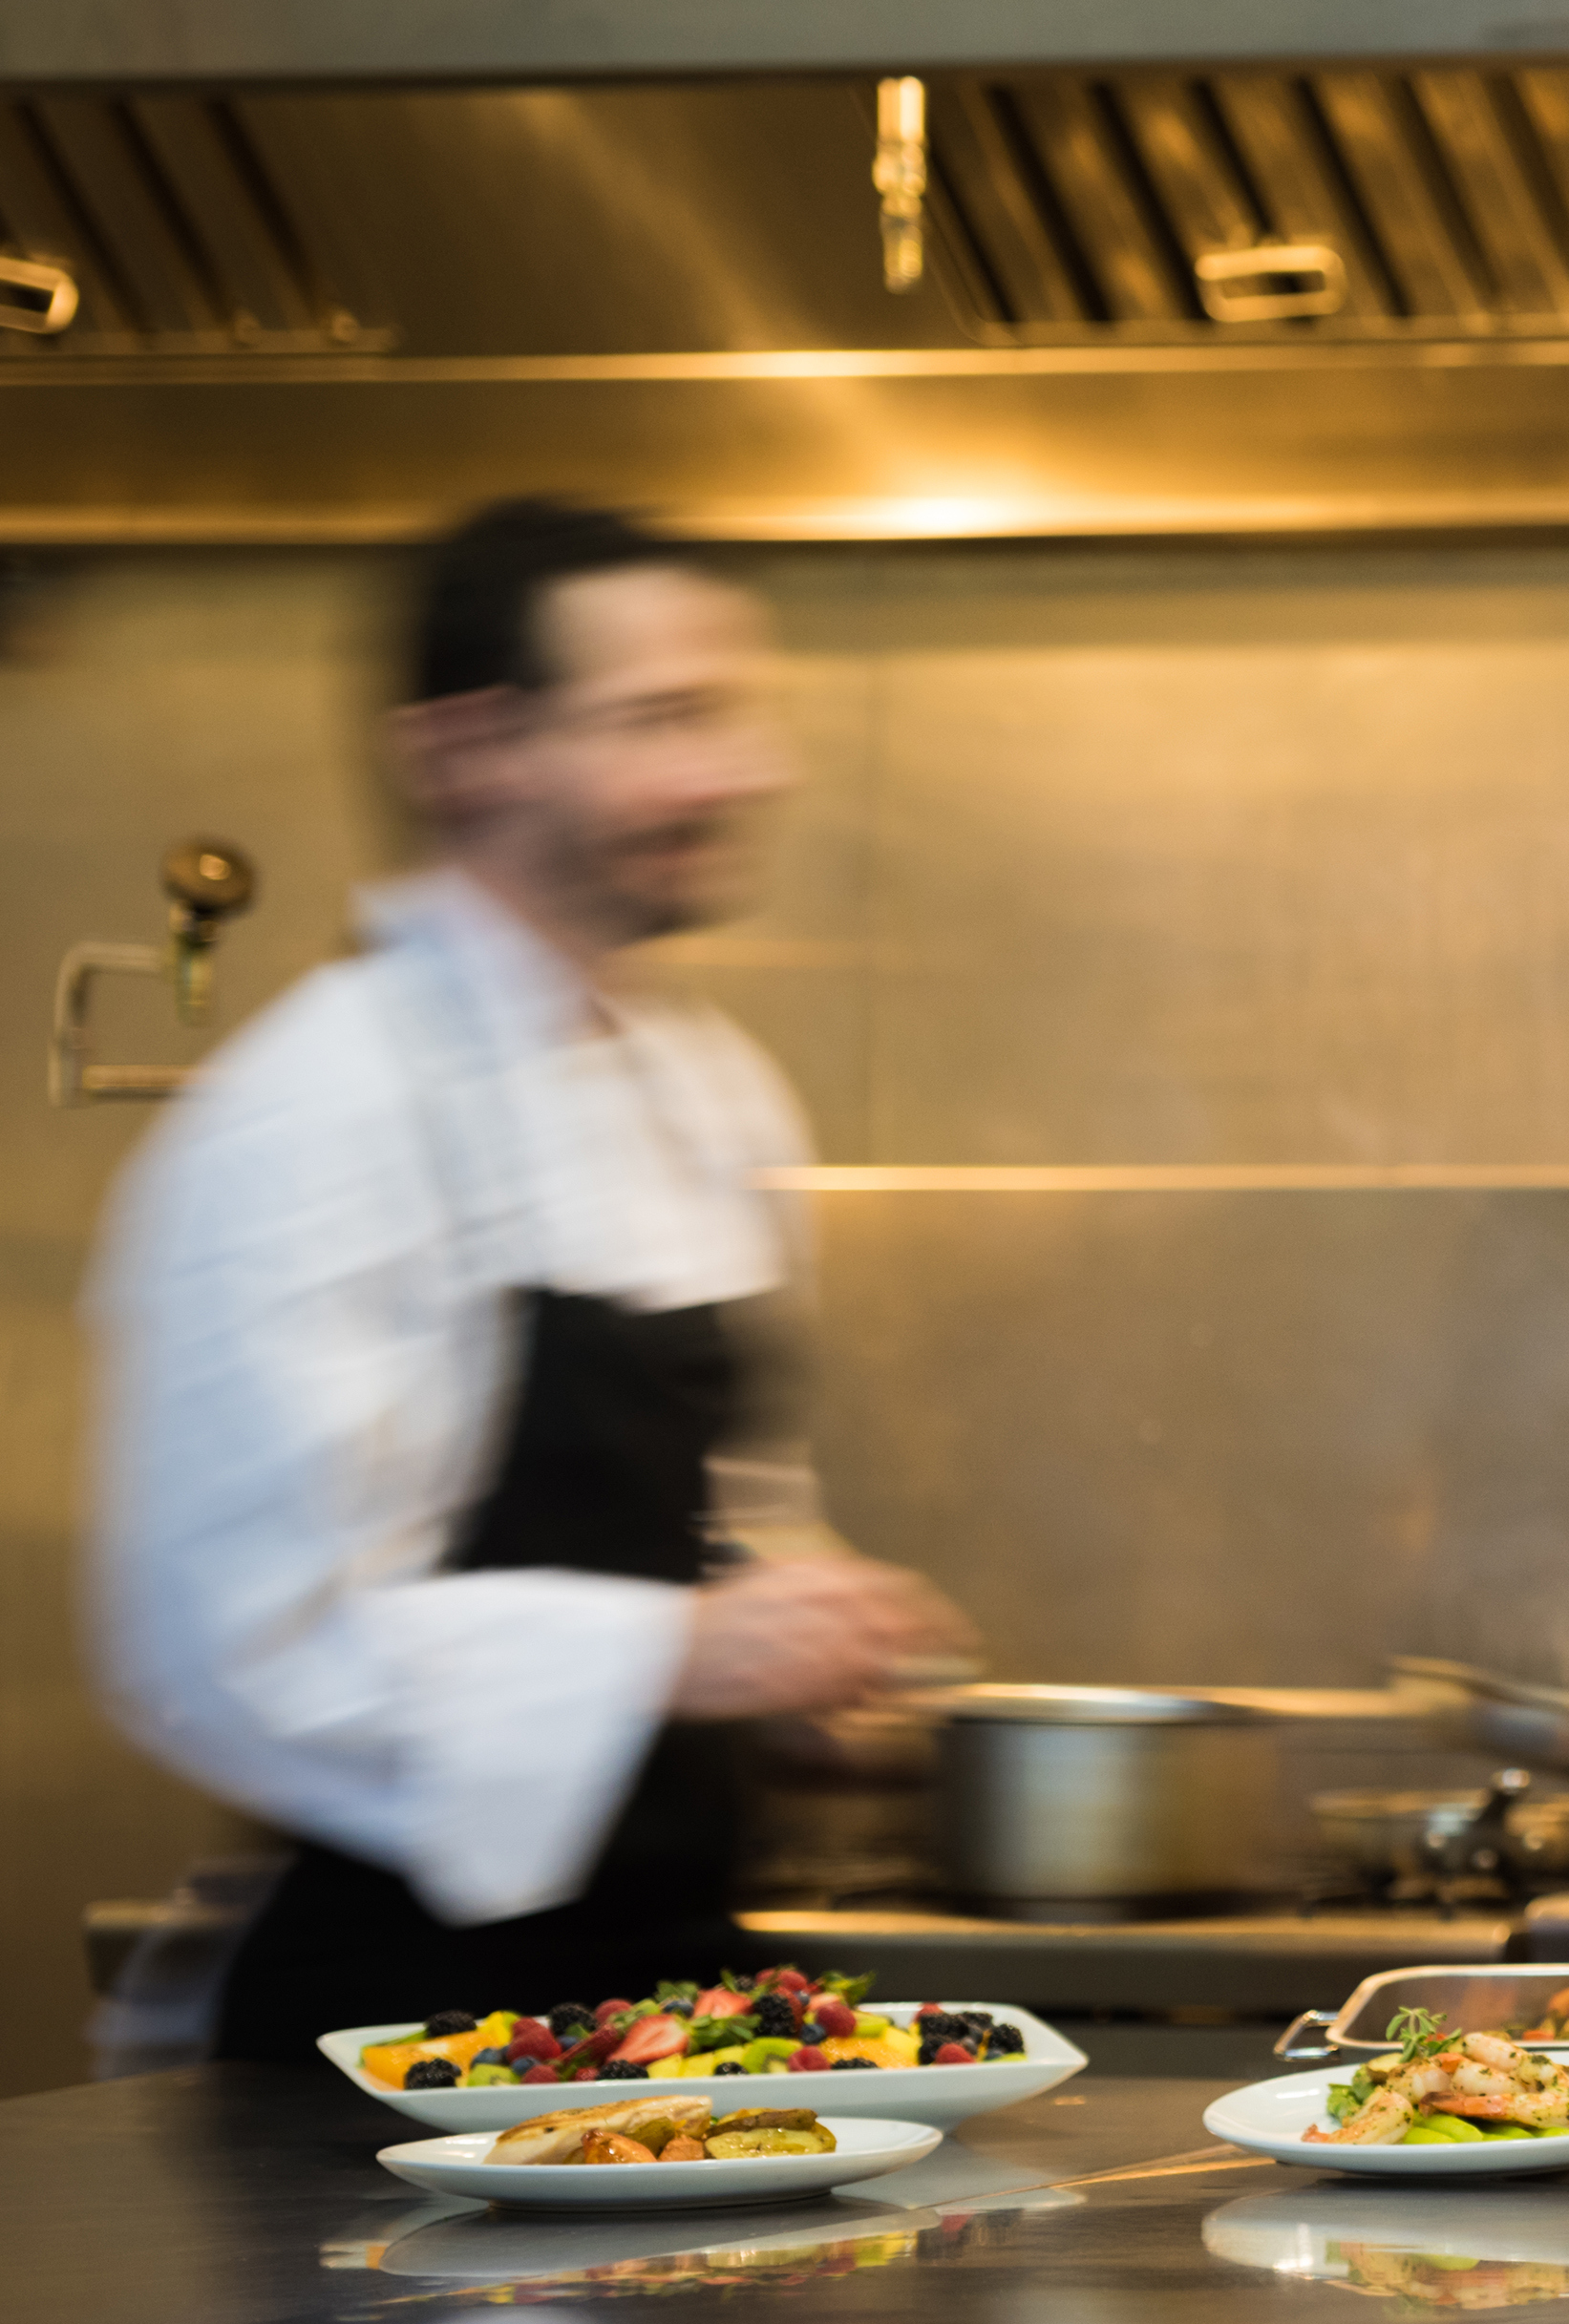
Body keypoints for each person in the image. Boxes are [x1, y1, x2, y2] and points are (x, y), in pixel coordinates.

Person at [85, 499, 965, 2060]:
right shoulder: (316, 1113)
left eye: (739, 714)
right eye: (665, 720)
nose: (744, 771)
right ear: (470, 750)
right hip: (390, 2039)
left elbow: (719, 1511)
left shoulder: (709, 1086)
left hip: (662, 1998)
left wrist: (802, 1655)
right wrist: (679, 1654)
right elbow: (228, 1646)